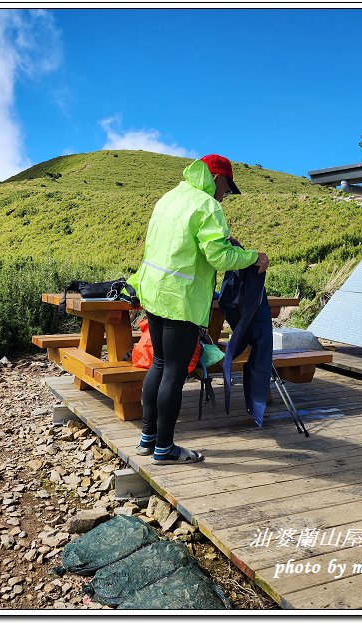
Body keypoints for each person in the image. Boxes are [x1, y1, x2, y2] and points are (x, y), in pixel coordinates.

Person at [127, 154, 268, 464]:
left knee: (159, 364)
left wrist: (223, 244)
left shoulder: (169, 197)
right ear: (216, 179)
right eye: (227, 189)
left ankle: (146, 439)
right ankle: (165, 448)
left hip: (153, 292)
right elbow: (219, 258)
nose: (226, 196)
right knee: (174, 371)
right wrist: (252, 257)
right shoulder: (208, 206)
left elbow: (181, 244)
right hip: (181, 299)